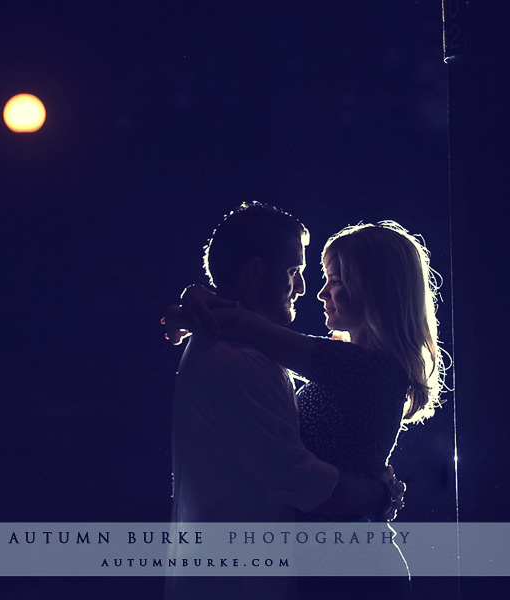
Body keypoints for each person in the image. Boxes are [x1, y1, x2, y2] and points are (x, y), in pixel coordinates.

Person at [171, 220, 445, 599]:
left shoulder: (369, 369)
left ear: (374, 288)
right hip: (332, 567)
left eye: (335, 280)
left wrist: (201, 298)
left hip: (353, 573)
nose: (319, 292)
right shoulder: (353, 365)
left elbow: (251, 328)